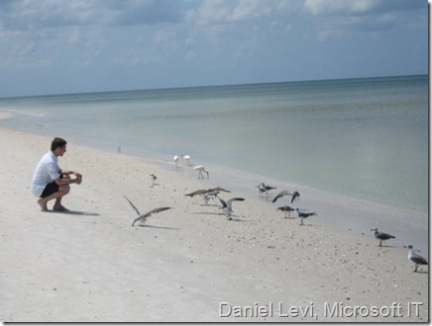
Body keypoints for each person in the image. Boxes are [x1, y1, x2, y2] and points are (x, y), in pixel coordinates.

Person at [31, 137, 82, 211]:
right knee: (65, 188)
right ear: (58, 148)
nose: (65, 150)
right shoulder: (49, 161)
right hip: (39, 189)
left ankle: (57, 205)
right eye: (64, 148)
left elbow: (59, 171)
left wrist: (73, 172)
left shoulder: (50, 156)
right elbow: (59, 182)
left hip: (43, 185)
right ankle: (43, 201)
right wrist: (75, 181)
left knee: (66, 177)